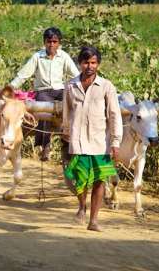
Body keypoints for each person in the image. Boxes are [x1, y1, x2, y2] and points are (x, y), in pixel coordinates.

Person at [62, 46, 122, 232]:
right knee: (79, 180)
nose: (89, 66)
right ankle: (82, 206)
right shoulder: (71, 86)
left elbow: (114, 114)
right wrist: (65, 130)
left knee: (99, 181)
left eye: (93, 62)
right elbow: (67, 111)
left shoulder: (106, 86)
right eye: (86, 62)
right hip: (78, 140)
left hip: (99, 142)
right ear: (80, 64)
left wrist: (115, 141)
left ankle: (94, 220)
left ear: (98, 64)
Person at [9, 27, 79, 161]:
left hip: (60, 90)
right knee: (44, 108)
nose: (51, 44)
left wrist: (87, 86)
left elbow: (76, 75)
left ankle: (69, 138)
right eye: (49, 42)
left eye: (54, 41)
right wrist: (10, 88)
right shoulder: (37, 57)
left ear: (59, 43)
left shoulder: (63, 56)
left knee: (73, 103)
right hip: (43, 91)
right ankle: (45, 145)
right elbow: (23, 75)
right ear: (44, 42)